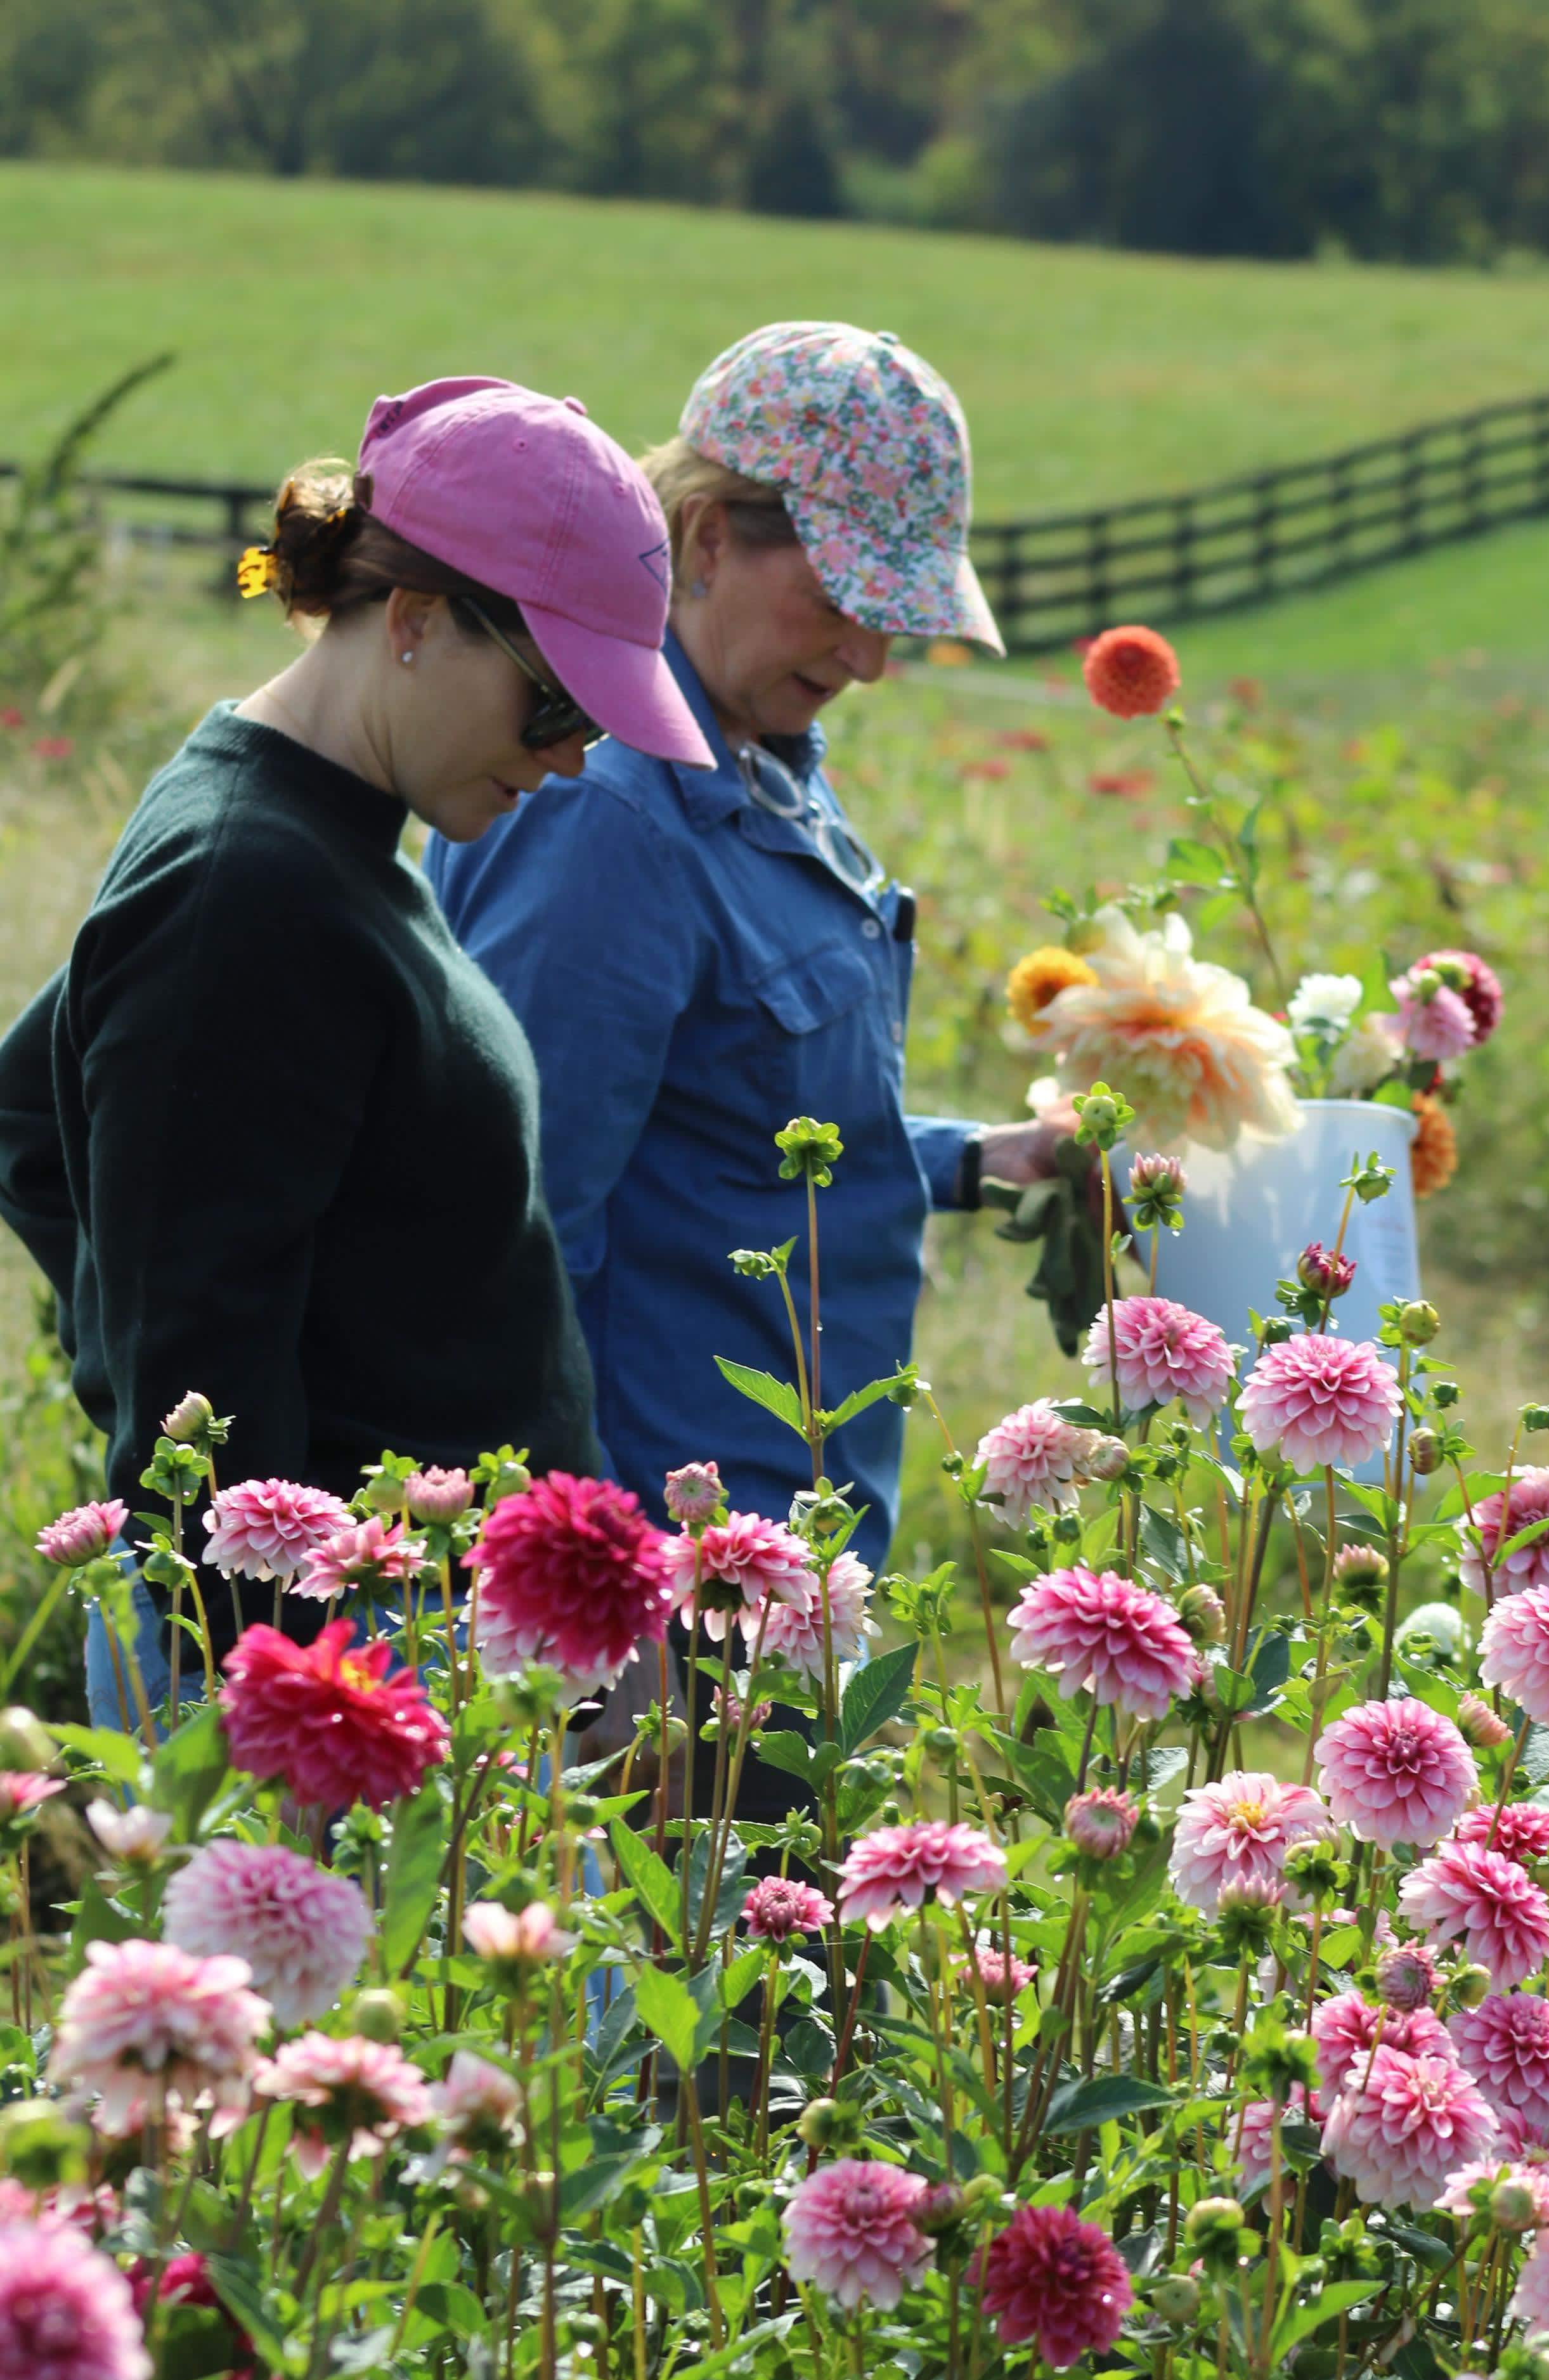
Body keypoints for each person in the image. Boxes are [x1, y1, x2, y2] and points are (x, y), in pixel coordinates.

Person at [0, 374, 711, 1717]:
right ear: (418, 620)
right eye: (555, 706)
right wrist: (271, 1691)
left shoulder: (307, 834)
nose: (570, 762)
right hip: (326, 1657)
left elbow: (30, 1122)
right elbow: (196, 1342)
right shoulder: (249, 890)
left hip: (402, 1619)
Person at [428, 323, 1057, 1583]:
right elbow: (514, 1236)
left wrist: (977, 1161)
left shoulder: (759, 760)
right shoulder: (607, 813)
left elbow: (724, 1116)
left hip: (785, 1543)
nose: (871, 659)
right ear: (708, 537)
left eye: (895, 617)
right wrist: (597, 1591)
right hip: (665, 1565)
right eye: (840, 601)